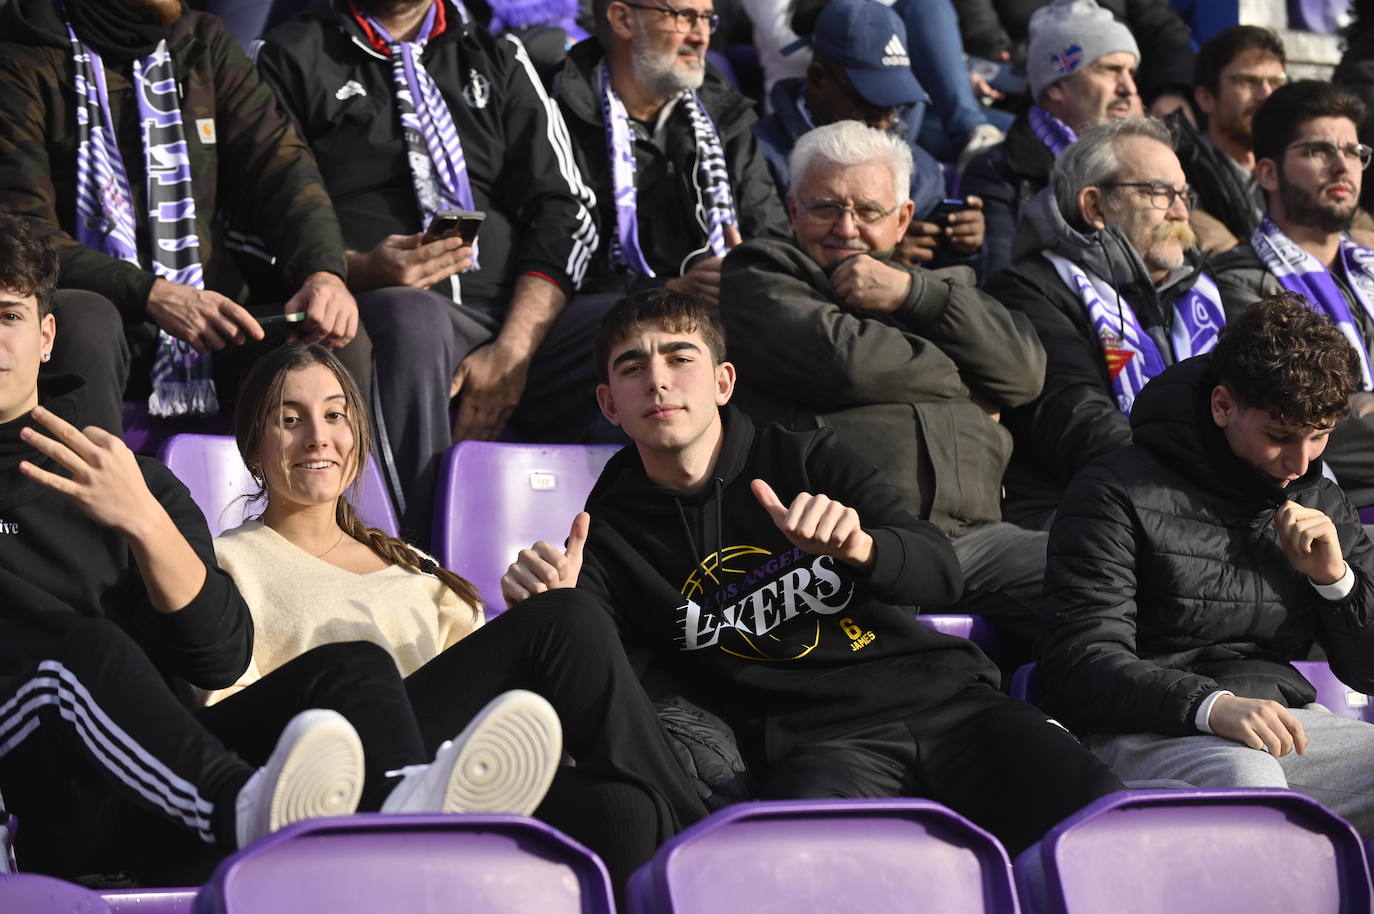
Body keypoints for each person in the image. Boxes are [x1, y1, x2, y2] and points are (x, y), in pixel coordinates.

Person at [500, 288, 1125, 855]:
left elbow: (940, 572)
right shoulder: (605, 534)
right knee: (807, 872)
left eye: (679, 358)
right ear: (609, 403)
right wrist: (556, 609)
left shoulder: (808, 457)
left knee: (1103, 829)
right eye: (632, 366)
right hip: (816, 750)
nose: (657, 381)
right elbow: (612, 680)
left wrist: (863, 550)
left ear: (723, 382)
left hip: (953, 706)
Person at [0, 213, 518, 885]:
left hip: (154, 796)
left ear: (45, 338)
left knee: (354, 667)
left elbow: (217, 657)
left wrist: (143, 522)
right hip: (44, 798)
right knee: (77, 654)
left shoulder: (131, 480)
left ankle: (404, 818)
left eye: (8, 315)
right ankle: (246, 811)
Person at [210, 342, 709, 895]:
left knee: (625, 808)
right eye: (288, 420)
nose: (317, 437)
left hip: (456, 776)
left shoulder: (411, 564)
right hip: (336, 778)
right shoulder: (226, 563)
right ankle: (709, 845)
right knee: (564, 617)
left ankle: (684, 849)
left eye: (334, 415)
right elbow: (236, 718)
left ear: (358, 438)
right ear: (254, 446)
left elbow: (481, 707)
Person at [255, 0, 602, 544]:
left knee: (636, 335)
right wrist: (360, 271)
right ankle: (414, 561)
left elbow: (567, 206)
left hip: (510, 323)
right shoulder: (289, 55)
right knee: (412, 316)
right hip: (383, 315)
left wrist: (512, 351)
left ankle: (620, 561)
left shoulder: (497, 55)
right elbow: (255, 223)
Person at [1038, 294, 1374, 836]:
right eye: (1280, 436)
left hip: (1284, 721)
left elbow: (1369, 674)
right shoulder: (1114, 489)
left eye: (1320, 436)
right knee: (1249, 782)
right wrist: (1209, 705)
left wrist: (1336, 582)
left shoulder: (1319, 498)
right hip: (1142, 727)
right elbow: (1078, 661)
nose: (1300, 462)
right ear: (1223, 406)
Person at [720, 121, 1047, 646]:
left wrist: (915, 297)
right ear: (793, 210)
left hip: (975, 542)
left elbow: (1025, 375)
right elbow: (843, 360)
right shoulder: (761, 274)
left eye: (868, 211)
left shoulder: (941, 290)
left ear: (903, 219)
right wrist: (967, 380)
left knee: (1095, 575)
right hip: (842, 545)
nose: (847, 228)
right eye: (826, 207)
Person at [0, 0, 364, 438]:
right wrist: (149, 294)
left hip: (206, 322)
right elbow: (21, 229)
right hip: (89, 313)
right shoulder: (22, 48)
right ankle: (91, 503)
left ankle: (331, 508)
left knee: (332, 339)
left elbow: (281, 168)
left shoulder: (201, 43)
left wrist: (322, 272)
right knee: (88, 322)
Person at [986, 117, 1221, 531]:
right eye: (1160, 192)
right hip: (1083, 515)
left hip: (1200, 502)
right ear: (1095, 207)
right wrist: (1208, 480)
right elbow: (1079, 421)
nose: (1182, 212)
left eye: (1184, 194)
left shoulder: (1202, 291)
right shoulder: (1029, 290)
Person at [554, 0, 790, 307]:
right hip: (612, 327)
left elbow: (773, 236)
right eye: (684, 17)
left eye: (707, 19)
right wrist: (667, 289)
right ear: (623, 19)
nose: (701, 36)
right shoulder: (560, 115)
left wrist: (749, 271)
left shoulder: (723, 111)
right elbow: (559, 264)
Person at [1212, 81, 1374, 510]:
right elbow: (1302, 422)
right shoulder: (1241, 283)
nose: (1343, 166)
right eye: (1318, 151)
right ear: (1267, 172)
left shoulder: (1369, 269)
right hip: (1334, 516)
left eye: (1355, 152)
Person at [753, 0, 986, 273]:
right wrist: (876, 254)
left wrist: (962, 250)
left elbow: (951, 292)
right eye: (869, 105)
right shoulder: (756, 156)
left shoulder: (920, 171)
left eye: (895, 105)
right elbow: (761, 273)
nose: (885, 122)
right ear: (817, 78)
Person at [961, 0, 1141, 277]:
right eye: (1110, 69)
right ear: (1057, 86)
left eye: (1131, 72)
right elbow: (1001, 292)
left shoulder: (1145, 166)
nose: (1128, 88)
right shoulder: (997, 173)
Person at [1166, 26, 1287, 250]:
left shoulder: (1298, 166)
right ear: (1206, 98)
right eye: (1248, 82)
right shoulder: (1178, 174)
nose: (1266, 95)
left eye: (1277, 82)